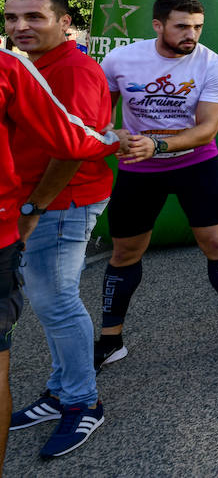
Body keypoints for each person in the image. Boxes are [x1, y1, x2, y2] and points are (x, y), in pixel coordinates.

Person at [97, 0, 218, 367]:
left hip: (196, 164)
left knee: (216, 242)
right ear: (158, 25)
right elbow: (99, 117)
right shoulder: (120, 60)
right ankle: (111, 339)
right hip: (138, 169)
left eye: (197, 27)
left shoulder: (214, 64)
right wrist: (114, 135)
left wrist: (156, 144)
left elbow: (207, 130)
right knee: (125, 251)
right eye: (182, 26)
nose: (191, 34)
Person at [0, 43, 137, 467]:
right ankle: (62, 392)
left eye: (35, 16)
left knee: (57, 301)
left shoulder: (72, 70)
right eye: (12, 17)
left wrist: (34, 207)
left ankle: (83, 402)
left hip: (60, 202)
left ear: (63, 22)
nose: (22, 26)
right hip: (37, 202)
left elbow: (73, 146)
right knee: (47, 301)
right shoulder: (30, 65)